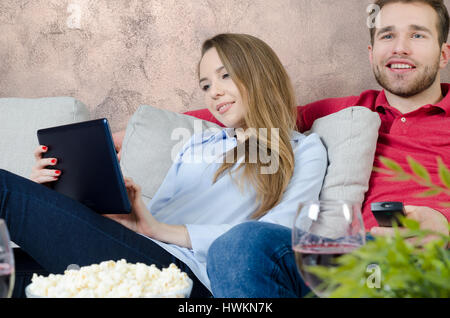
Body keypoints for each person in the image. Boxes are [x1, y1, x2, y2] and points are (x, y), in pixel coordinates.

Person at [0, 33, 327, 297]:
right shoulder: (198, 142)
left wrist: (158, 230)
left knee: (4, 190)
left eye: (225, 75)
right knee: (5, 269)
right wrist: (115, 207)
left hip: (187, 276)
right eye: (205, 85)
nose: (214, 93)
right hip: (139, 250)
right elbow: (163, 215)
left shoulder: (303, 150)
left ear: (260, 74)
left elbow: (279, 237)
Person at [206, 0, 450, 298]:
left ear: (443, 54)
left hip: (430, 264)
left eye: (417, 35)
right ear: (372, 54)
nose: (400, 48)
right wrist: (139, 130)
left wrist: (444, 225)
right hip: (346, 261)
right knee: (238, 244)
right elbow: (255, 110)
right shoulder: (344, 111)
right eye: (387, 35)